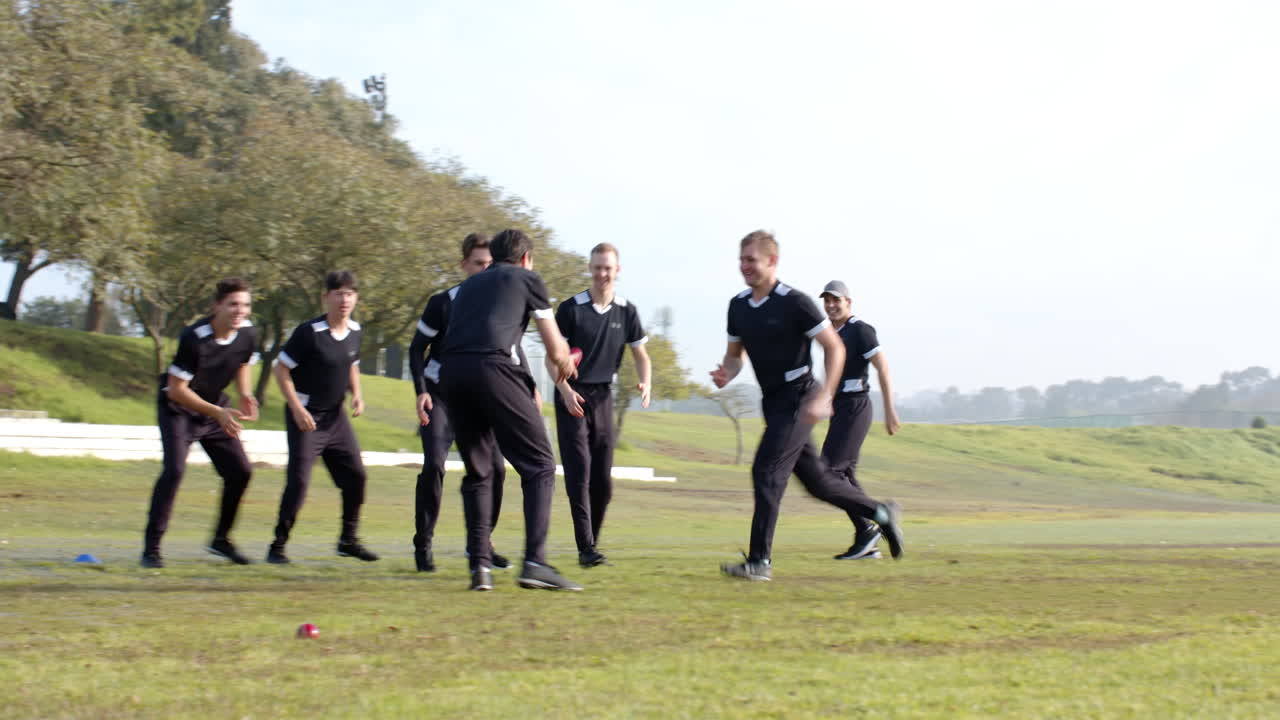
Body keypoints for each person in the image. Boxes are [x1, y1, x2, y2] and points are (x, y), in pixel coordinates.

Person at [710, 231, 904, 581]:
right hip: (773, 401)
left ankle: (759, 562)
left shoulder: (795, 302)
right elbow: (735, 357)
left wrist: (825, 395)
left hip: (800, 397)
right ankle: (882, 513)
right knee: (820, 483)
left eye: (751, 260)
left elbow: (835, 348)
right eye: (741, 259)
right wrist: (727, 373)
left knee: (767, 472)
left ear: (772, 262)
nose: (745, 267)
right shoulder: (738, 306)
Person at [432, 228, 582, 591]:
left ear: (495, 256)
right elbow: (554, 347)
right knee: (540, 465)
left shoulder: (470, 285)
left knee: (479, 470)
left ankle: (479, 566)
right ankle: (535, 563)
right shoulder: (528, 278)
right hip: (493, 369)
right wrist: (566, 364)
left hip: (452, 374)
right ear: (526, 258)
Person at [407, 233, 515, 573]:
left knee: (496, 469)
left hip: (480, 397)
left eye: (489, 264)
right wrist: (421, 390)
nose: (484, 270)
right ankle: (423, 545)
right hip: (441, 394)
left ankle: (481, 544)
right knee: (435, 465)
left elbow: (510, 349)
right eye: (478, 263)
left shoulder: (500, 303)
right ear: (464, 265)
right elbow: (415, 349)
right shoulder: (443, 302)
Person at [142, 278, 260, 568]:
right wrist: (216, 412)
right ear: (216, 306)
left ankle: (221, 540)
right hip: (178, 409)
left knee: (240, 472)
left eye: (245, 305)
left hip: (214, 408)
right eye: (233, 304)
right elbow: (176, 389)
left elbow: (243, 362)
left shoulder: (248, 333)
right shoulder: (194, 337)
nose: (239, 310)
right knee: (174, 470)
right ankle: (152, 549)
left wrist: (244, 393)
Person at [549, 243, 650, 568]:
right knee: (579, 471)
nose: (602, 273)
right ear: (589, 269)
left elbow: (641, 355)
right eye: (597, 267)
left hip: (604, 396)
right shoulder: (571, 309)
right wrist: (564, 390)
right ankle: (586, 548)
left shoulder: (626, 311)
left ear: (617, 270)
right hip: (572, 395)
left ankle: (591, 541)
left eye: (608, 268)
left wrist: (645, 381)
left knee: (602, 481)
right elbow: (555, 359)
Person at [267, 270, 377, 564]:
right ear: (325, 297)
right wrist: (297, 409)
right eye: (338, 293)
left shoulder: (355, 330)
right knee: (299, 482)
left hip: (335, 417)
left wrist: (357, 393)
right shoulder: (308, 333)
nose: (344, 299)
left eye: (350, 294)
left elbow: (350, 362)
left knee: (356, 477)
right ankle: (277, 547)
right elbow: (281, 369)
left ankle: (348, 540)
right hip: (307, 417)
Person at [818, 280, 902, 561]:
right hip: (840, 407)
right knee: (845, 475)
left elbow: (883, 369)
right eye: (827, 300)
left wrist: (890, 410)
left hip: (856, 406)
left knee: (829, 472)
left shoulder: (861, 331)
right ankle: (866, 536)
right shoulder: (830, 333)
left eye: (836, 300)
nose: (831, 305)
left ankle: (879, 516)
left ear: (848, 302)